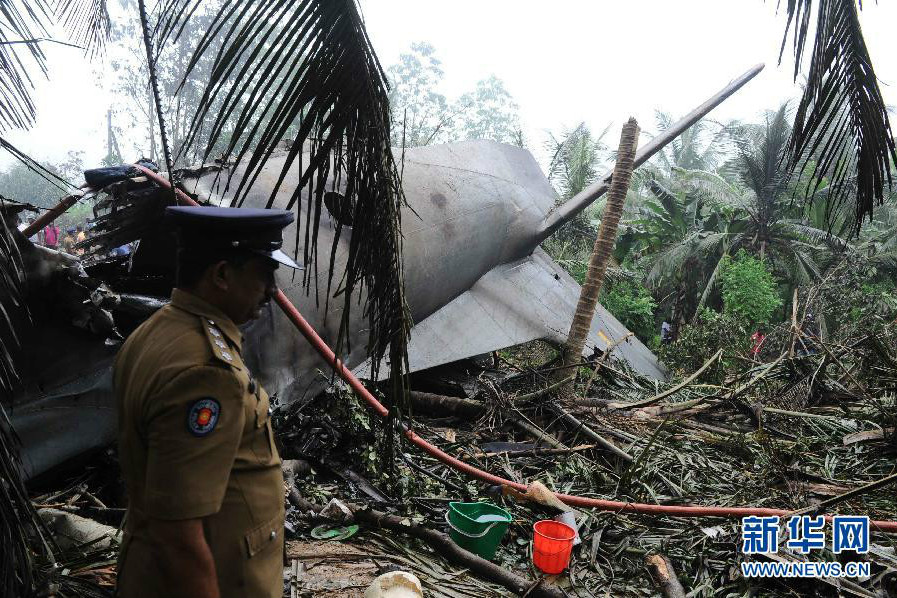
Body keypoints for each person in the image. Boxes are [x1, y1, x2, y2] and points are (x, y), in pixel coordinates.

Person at [113, 206, 301, 598]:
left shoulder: (154, 332)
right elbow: (178, 532)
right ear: (221, 275)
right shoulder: (206, 371)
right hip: (213, 578)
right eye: (263, 274)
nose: (272, 290)